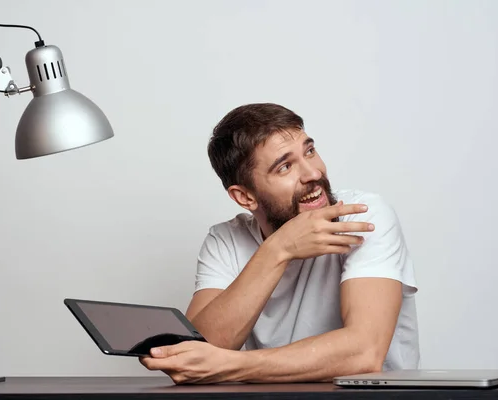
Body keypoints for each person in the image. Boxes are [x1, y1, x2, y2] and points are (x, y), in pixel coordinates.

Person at [140, 103, 419, 384]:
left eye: (309, 151)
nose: (313, 173)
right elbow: (199, 350)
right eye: (285, 167)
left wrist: (235, 365)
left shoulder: (364, 214)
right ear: (245, 197)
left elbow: (364, 353)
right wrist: (278, 250)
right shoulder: (225, 240)